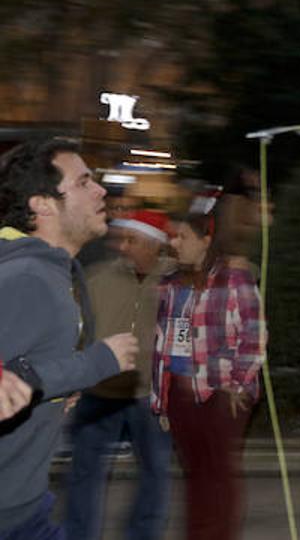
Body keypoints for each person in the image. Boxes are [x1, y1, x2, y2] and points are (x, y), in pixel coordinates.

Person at [0, 138, 137, 538]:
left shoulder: (47, 273)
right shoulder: (26, 278)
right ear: (41, 204)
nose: (100, 190)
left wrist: (58, 388)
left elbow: (20, 372)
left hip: (24, 507)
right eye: (83, 183)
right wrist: (96, 363)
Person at [150, 208, 266, 540]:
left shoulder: (233, 278)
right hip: (181, 395)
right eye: (172, 235)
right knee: (196, 475)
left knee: (218, 476)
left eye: (182, 236)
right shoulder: (171, 282)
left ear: (205, 240)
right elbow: (167, 343)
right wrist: (162, 397)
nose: (174, 242)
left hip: (221, 393)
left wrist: (239, 385)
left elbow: (254, 333)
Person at [66, 210, 174, 540]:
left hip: (149, 395)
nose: (123, 247)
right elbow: (78, 330)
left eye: (133, 241)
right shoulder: (97, 277)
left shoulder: (175, 281)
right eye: (123, 239)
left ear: (155, 246)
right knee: (84, 474)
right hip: (100, 391)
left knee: (155, 473)